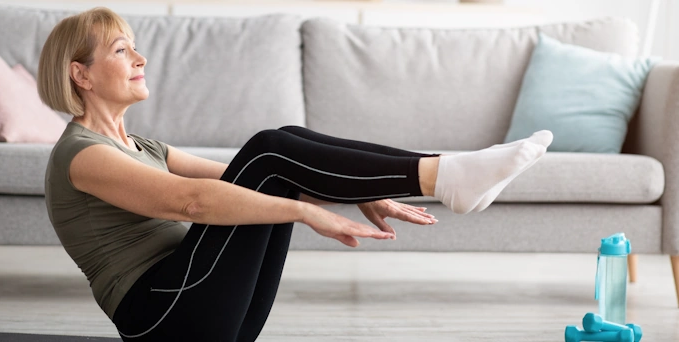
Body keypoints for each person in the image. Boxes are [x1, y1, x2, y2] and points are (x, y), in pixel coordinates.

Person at [39, 7, 552, 342]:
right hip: (163, 318)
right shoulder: (82, 155)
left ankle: (447, 175)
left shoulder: (140, 146)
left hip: (200, 305)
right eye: (121, 50)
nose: (140, 57)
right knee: (268, 151)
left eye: (134, 46)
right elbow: (192, 203)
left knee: (274, 148)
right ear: (80, 74)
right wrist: (310, 212)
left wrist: (359, 194)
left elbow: (248, 177)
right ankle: (446, 175)